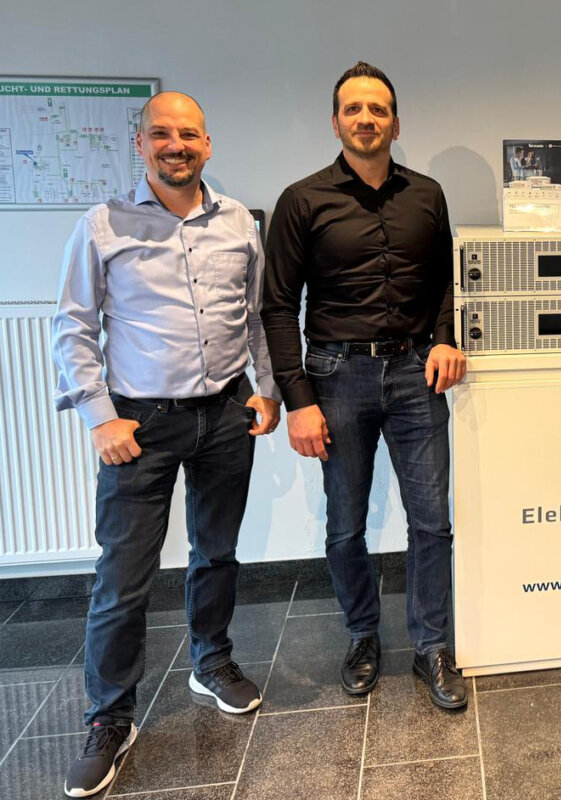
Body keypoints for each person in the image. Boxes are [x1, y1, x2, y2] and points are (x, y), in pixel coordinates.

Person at [53, 91, 280, 797]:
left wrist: (267, 389)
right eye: (161, 134)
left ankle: (210, 662)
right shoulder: (103, 223)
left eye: (188, 134)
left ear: (207, 144)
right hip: (140, 424)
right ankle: (109, 718)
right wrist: (100, 417)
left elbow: (257, 316)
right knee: (124, 576)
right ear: (140, 144)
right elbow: (73, 326)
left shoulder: (239, 221)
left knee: (216, 553)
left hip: (226, 415)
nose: (175, 145)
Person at [262, 61, 468, 709]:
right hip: (336, 376)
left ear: (395, 124)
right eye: (354, 109)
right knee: (345, 524)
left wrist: (445, 337)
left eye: (378, 109)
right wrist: (298, 401)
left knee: (432, 522)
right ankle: (362, 636)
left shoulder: (428, 195)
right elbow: (277, 306)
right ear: (336, 122)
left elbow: (447, 280)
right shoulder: (303, 200)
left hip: (415, 373)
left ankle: (433, 645)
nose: (366, 119)